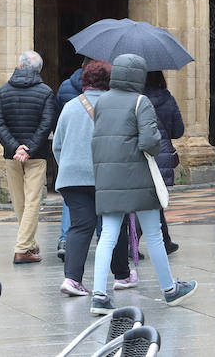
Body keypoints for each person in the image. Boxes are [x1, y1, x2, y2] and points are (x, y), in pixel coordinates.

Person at [89, 54, 197, 313]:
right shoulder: (141, 102)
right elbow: (150, 141)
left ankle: (99, 295)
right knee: (155, 235)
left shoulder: (102, 102)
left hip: (108, 178)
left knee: (108, 236)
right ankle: (170, 289)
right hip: (138, 178)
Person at [0, 50, 57, 264]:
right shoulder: (46, 92)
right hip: (36, 155)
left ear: (19, 66)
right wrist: (28, 148)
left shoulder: (3, 91)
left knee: (20, 201)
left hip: (12, 156)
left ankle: (28, 243)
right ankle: (22, 248)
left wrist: (14, 147)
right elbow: (47, 123)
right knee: (32, 201)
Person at [52, 59, 110, 297]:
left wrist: (68, 167)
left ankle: (72, 279)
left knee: (79, 227)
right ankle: (123, 274)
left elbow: (57, 145)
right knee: (110, 227)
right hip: (103, 176)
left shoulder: (70, 106)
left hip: (70, 177)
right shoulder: (111, 105)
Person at [144, 71, 184, 255]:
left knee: (147, 201)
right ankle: (165, 241)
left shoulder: (137, 100)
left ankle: (161, 241)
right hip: (163, 155)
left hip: (144, 156)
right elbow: (178, 130)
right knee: (156, 199)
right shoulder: (167, 98)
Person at [54, 60, 86, 259]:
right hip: (95, 153)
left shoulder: (66, 86)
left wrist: (62, 162)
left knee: (70, 199)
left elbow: (57, 119)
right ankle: (106, 240)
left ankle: (65, 239)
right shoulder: (105, 94)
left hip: (70, 150)